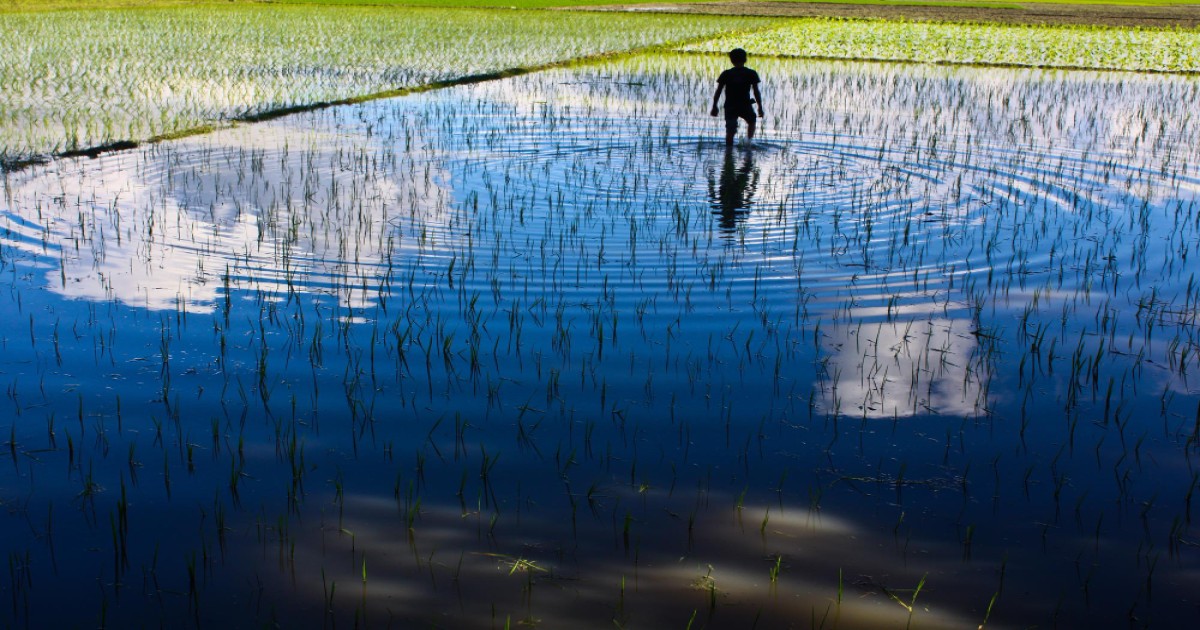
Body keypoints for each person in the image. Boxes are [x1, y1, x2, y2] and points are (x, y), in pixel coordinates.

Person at [710, 48, 764, 147]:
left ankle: (728, 152)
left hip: (730, 106)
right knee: (752, 121)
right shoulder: (751, 73)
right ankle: (748, 142)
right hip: (745, 105)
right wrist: (760, 107)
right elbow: (756, 91)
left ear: (731, 60)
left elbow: (718, 91)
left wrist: (714, 106)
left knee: (730, 130)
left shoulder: (726, 74)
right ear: (745, 60)